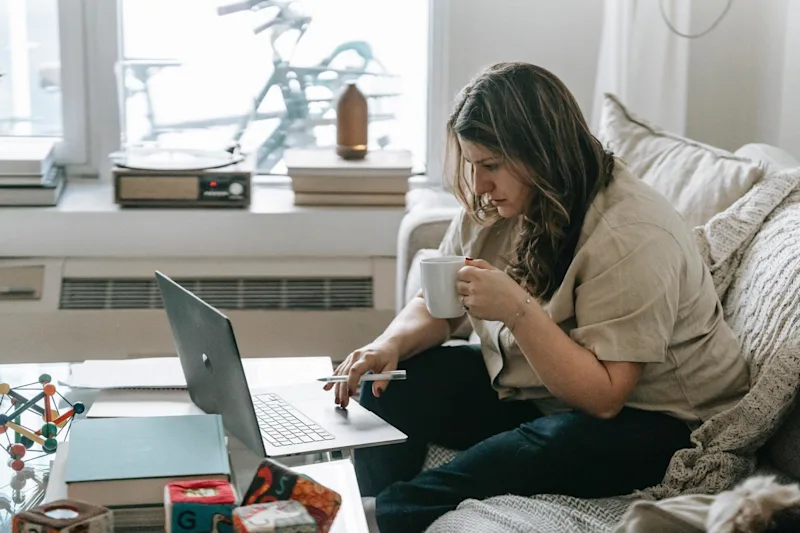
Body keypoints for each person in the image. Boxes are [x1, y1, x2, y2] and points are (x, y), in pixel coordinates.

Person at [323, 62, 751, 533]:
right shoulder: (501, 203)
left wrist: (516, 309)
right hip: (543, 389)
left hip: (658, 420)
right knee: (394, 379)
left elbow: (605, 398)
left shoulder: (631, 233)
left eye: (491, 166)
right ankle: (357, 503)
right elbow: (437, 303)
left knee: (552, 442)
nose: (480, 184)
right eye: (472, 164)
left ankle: (382, 516)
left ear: (543, 152)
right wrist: (390, 344)